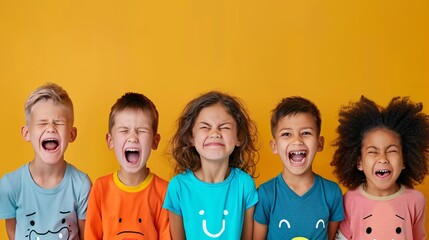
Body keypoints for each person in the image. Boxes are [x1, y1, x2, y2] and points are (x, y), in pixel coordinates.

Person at [162, 91, 259, 240]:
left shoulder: (244, 184)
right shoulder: (178, 187)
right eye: (205, 127)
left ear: (239, 137)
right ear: (190, 137)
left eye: (225, 127)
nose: (215, 133)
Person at [0, 83, 92, 239]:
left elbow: (86, 235)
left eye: (59, 122)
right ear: (27, 133)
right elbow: (12, 232)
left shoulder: (81, 185)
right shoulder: (10, 185)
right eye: (42, 122)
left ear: (71, 134)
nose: (51, 128)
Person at [331, 96, 428, 239]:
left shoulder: (416, 200)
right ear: (359, 163)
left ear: (404, 161)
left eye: (391, 151)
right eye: (373, 152)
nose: (382, 158)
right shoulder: (349, 200)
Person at [253, 96, 344, 240]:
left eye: (306, 133)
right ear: (275, 146)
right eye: (286, 134)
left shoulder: (332, 193)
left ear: (319, 143)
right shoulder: (265, 194)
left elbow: (330, 237)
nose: (297, 140)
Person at [84, 92, 171, 239]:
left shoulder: (165, 191)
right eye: (124, 130)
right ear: (110, 140)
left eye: (141, 131)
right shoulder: (100, 188)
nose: (133, 138)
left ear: (155, 141)